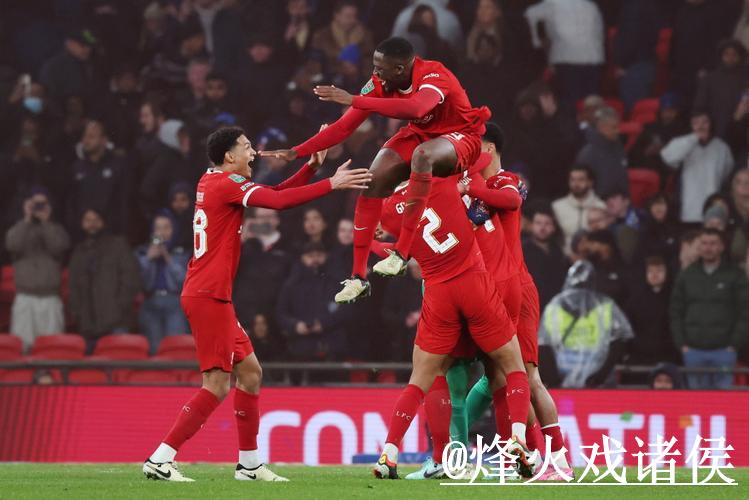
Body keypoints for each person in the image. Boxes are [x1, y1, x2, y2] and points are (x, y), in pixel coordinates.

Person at [143, 127, 370, 482]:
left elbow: (274, 193)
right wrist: (331, 184)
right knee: (216, 385)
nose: (253, 153)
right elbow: (278, 202)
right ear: (229, 156)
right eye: (247, 147)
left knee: (250, 374)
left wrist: (310, 169)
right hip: (208, 296)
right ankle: (161, 458)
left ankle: (249, 465)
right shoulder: (226, 184)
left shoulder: (212, 180)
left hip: (210, 293)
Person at [263, 37, 491, 304]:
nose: (375, 73)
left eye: (380, 68)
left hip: (461, 137)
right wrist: (297, 151)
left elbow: (416, 107)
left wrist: (356, 99)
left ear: (400, 69)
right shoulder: (378, 83)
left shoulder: (433, 74)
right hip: (421, 134)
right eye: (374, 66)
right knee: (373, 180)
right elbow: (343, 127)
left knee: (422, 156)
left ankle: (401, 254)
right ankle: (358, 277)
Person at [371, 173, 534, 481]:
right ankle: (517, 439)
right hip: (474, 283)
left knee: (425, 376)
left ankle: (391, 453)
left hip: (438, 292)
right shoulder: (444, 184)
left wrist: (375, 241)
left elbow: (394, 250)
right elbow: (486, 177)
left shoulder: (388, 210)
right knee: (511, 367)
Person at [670, 229, 749, 389]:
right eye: (704, 243)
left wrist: (734, 344)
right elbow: (675, 312)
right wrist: (682, 344)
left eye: (713, 244)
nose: (708, 248)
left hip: (724, 351)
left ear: (722, 247)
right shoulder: (687, 275)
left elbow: (745, 312)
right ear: (699, 247)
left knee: (722, 401)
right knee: (696, 401)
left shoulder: (735, 275)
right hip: (693, 351)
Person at [539, 260, 634, 388]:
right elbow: (621, 340)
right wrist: (599, 377)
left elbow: (543, 345)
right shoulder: (605, 306)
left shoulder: (554, 306)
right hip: (597, 380)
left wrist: (553, 379)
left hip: (563, 377)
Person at [68, 209, 142, 353]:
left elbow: (130, 279)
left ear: (103, 222)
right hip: (87, 323)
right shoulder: (79, 251)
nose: (92, 224)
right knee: (91, 366)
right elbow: (73, 285)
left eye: (96, 219)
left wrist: (119, 307)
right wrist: (77, 312)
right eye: (88, 220)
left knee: (117, 361)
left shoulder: (118, 245)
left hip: (116, 321)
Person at [5, 189, 70, 350]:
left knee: (52, 347)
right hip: (25, 297)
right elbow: (12, 245)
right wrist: (26, 219)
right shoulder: (19, 228)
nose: (38, 207)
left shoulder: (56, 229)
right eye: (35, 204)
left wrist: (46, 222)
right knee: (22, 347)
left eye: (42, 204)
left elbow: (59, 247)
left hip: (50, 298)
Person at [276, 242, 354, 361]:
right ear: (302, 258)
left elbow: (347, 310)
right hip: (300, 348)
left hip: (333, 347)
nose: (315, 259)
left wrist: (323, 324)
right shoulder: (291, 284)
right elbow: (281, 313)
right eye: (310, 256)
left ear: (326, 256)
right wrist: (295, 325)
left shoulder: (337, 282)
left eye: (319, 255)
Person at [524, 0, 605, 106]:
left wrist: (536, 40)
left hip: (567, 56)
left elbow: (529, 14)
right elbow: (599, 32)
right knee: (591, 100)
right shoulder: (590, 5)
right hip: (593, 57)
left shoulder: (553, 3)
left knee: (570, 99)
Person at [660, 111, 734, 223]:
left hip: (714, 210)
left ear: (711, 124)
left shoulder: (722, 147)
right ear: (690, 125)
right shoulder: (682, 142)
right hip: (688, 210)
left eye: (705, 122)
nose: (700, 126)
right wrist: (694, 138)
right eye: (696, 123)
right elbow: (668, 157)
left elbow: (727, 173)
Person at [136, 213, 190, 354]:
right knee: (154, 349)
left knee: (175, 347)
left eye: (166, 228)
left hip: (175, 303)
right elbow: (138, 280)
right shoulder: (143, 252)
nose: (162, 232)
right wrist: (148, 258)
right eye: (158, 228)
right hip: (150, 303)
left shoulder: (182, 253)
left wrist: (167, 257)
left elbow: (184, 280)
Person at [66, 120, 129, 239]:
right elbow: (71, 203)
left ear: (104, 140)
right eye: (84, 136)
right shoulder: (77, 168)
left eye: (91, 136)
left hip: (110, 234)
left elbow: (123, 202)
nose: (86, 141)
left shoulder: (118, 166)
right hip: (83, 236)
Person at [625, 256, 678, 368]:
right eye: (650, 271)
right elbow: (629, 327)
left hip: (668, 355)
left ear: (667, 273)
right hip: (640, 355)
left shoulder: (675, 298)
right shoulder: (635, 300)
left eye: (659, 271)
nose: (654, 275)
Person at [694, 39, 749, 140]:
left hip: (740, 134)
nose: (730, 58)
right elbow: (699, 108)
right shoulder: (709, 79)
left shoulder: (746, 80)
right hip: (713, 133)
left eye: (734, 54)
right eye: (726, 54)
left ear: (740, 56)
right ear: (721, 56)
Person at [574, 106, 629, 199]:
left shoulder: (618, 147)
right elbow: (581, 189)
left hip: (621, 203)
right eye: (614, 127)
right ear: (601, 127)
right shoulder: (587, 155)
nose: (618, 131)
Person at [552, 165, 606, 253]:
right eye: (572, 180)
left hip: (593, 257)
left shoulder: (601, 206)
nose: (576, 184)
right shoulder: (557, 207)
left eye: (581, 179)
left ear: (590, 182)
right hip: (564, 257)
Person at [523, 206, 569, 310]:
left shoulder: (558, 251)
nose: (542, 227)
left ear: (553, 227)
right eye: (538, 223)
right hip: (531, 306)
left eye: (547, 223)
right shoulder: (522, 250)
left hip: (556, 306)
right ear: (531, 225)